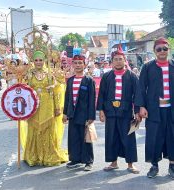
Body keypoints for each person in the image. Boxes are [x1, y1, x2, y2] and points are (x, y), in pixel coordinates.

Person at [97, 45, 141, 174]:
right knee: (111, 137)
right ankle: (113, 162)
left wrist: (137, 111)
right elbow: (102, 95)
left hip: (126, 111)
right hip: (110, 111)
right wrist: (101, 110)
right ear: (112, 61)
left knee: (128, 137)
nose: (118, 61)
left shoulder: (132, 76)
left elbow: (137, 95)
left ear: (124, 60)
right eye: (115, 59)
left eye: (120, 59)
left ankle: (130, 164)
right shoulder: (106, 76)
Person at [135, 37, 174, 179]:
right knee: (154, 138)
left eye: (165, 49)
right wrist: (141, 107)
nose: (162, 51)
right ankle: (154, 166)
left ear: (168, 50)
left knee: (172, 136)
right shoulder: (147, 67)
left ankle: (172, 165)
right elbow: (141, 88)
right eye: (159, 49)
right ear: (154, 51)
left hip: (172, 110)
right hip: (153, 110)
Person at [22, 50, 68, 166]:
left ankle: (49, 155)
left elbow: (57, 91)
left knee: (48, 130)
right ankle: (34, 155)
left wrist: (57, 107)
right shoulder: (29, 74)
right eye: (36, 60)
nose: (38, 63)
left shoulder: (50, 74)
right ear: (33, 61)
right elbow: (22, 91)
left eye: (41, 60)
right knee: (34, 129)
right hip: (33, 106)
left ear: (44, 61)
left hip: (48, 106)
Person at [63, 55, 96, 171]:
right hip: (72, 114)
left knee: (86, 138)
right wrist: (65, 113)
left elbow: (92, 99)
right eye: (75, 63)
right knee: (73, 138)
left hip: (84, 115)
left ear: (84, 65)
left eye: (80, 63)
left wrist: (91, 116)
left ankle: (88, 161)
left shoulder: (88, 80)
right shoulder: (70, 80)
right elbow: (67, 98)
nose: (77, 65)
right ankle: (75, 159)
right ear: (72, 65)